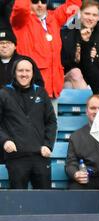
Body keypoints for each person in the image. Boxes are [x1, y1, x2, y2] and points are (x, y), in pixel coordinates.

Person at [0, 58, 57, 189]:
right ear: (14, 73)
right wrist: (5, 141)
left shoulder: (41, 92)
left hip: (40, 156)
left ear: (32, 73)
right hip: (16, 157)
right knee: (18, 202)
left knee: (44, 201)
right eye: (20, 70)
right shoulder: (4, 93)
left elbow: (51, 121)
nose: (24, 74)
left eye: (27, 70)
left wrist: (48, 145)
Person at [10, 0, 82, 100]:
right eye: (35, 1)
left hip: (54, 89)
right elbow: (21, 7)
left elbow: (73, 4)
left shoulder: (54, 18)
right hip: (30, 88)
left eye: (43, 1)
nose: (40, 4)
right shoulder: (22, 21)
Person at [61, 0, 99, 94]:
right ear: (79, 13)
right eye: (87, 14)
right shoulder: (66, 34)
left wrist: (93, 59)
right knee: (74, 74)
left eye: (94, 15)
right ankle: (94, 103)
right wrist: (75, 59)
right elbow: (62, 65)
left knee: (70, 86)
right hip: (70, 77)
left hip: (95, 80)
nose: (90, 18)